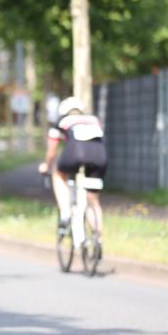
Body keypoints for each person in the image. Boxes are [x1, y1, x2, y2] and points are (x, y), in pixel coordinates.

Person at [38, 96, 107, 247]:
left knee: (58, 174)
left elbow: (52, 151)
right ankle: (98, 239)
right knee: (93, 200)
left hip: (75, 154)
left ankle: (65, 213)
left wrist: (46, 166)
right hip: (99, 157)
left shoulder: (62, 122)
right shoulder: (93, 120)